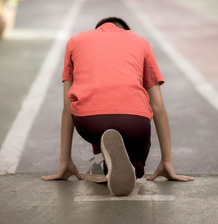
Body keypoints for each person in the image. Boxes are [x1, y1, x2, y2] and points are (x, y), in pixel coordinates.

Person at [41, 17, 194, 196]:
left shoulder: (75, 41)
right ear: (126, 31)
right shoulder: (141, 42)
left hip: (90, 123)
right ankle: (132, 167)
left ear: (97, 30)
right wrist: (167, 161)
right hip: (135, 122)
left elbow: (68, 107)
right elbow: (158, 107)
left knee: (101, 126)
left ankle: (102, 165)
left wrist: (65, 161)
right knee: (133, 154)